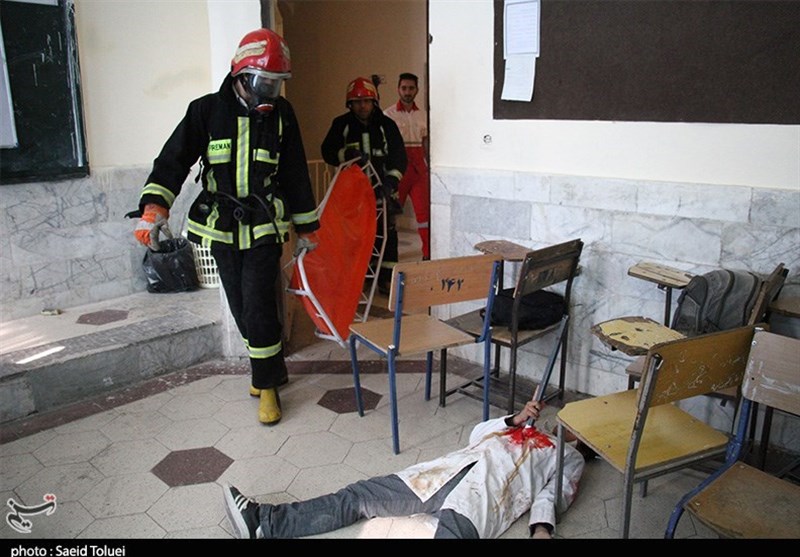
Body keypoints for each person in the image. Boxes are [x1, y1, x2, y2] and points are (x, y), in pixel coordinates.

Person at [133, 29, 320, 427]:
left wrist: (307, 229)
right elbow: (173, 159)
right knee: (239, 303)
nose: (270, 92)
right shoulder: (205, 111)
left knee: (258, 302)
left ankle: (266, 386)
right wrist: (154, 208)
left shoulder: (282, 116)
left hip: (264, 225)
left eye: (276, 84)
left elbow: (295, 173)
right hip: (220, 226)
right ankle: (269, 367)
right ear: (241, 75)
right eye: (264, 82)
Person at [223, 396, 588, 539]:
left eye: (581, 425)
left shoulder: (568, 457)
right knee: (359, 495)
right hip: (439, 476)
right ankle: (266, 522)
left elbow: (552, 496)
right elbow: (476, 435)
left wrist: (542, 531)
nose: (569, 422)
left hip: (485, 499)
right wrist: (514, 419)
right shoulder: (525, 428)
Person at [320, 76, 407, 294]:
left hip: (383, 193)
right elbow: (327, 151)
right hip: (353, 197)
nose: (362, 106)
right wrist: (346, 154)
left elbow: (399, 157)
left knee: (387, 237)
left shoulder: (387, 125)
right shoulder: (341, 125)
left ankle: (386, 279)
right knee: (355, 239)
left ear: (374, 102)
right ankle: (361, 277)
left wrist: (391, 182)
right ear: (350, 104)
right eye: (357, 102)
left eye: (366, 101)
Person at [383, 72, 430, 260]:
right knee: (391, 215)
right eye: (404, 88)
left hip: (419, 171)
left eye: (411, 88)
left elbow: (426, 143)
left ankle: (427, 255)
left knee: (424, 216)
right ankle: (388, 258)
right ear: (398, 89)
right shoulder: (388, 115)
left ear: (417, 90)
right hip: (398, 170)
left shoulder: (423, 115)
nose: (407, 92)